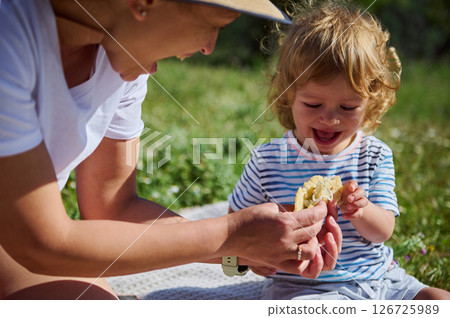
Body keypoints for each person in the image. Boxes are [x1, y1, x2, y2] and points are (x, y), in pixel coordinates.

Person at [0, 0, 342, 300]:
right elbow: (41, 242)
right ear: (144, 2)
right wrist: (229, 235)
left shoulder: (123, 56)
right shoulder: (9, 39)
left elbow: (112, 205)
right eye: (213, 25)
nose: (210, 47)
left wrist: (244, 251)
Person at [228, 0, 450, 300]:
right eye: (313, 105)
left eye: (347, 107)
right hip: (302, 289)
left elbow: (383, 230)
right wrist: (253, 259)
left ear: (370, 102)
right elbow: (235, 223)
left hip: (380, 280)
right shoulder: (267, 160)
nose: (330, 118)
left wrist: (362, 210)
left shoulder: (374, 155)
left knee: (439, 300)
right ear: (288, 95)